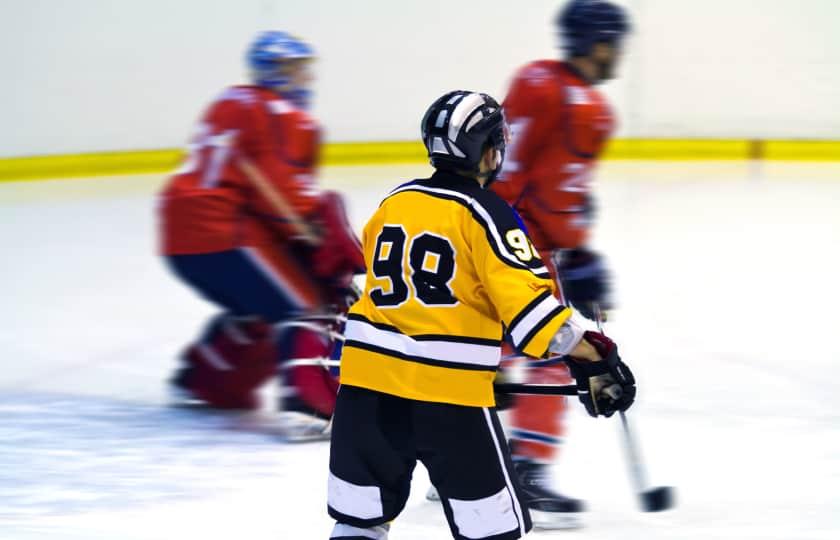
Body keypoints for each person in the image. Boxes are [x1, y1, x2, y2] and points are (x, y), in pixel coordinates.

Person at [325, 90, 635, 540]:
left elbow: (394, 292)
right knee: (490, 530)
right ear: (489, 151)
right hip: (449, 401)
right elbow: (533, 316)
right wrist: (596, 357)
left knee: (359, 522)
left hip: (365, 388)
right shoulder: (491, 215)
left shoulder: (396, 200)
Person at [158, 31, 364, 423]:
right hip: (221, 229)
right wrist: (314, 234)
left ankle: (203, 379)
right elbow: (282, 193)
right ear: (274, 73)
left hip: (177, 236)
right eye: (296, 71)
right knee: (305, 304)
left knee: (259, 306)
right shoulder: (283, 115)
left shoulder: (229, 100)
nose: (305, 80)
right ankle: (306, 405)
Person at [490, 0, 630, 527]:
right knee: (553, 350)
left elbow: (564, 190)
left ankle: (480, 462)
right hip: (513, 243)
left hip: (522, 243)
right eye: (614, 42)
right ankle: (523, 471)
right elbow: (508, 168)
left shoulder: (585, 104)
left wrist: (579, 249)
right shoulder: (545, 87)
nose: (619, 52)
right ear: (597, 43)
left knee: (495, 351)